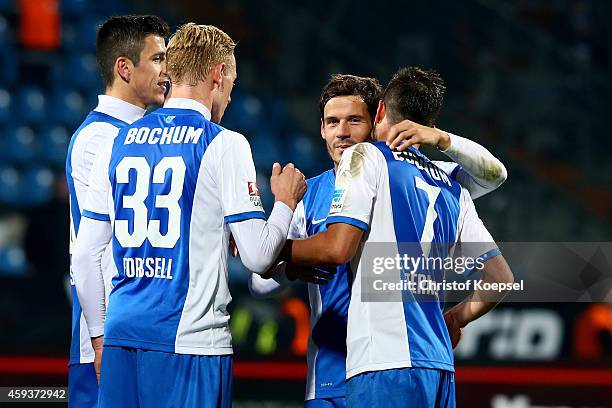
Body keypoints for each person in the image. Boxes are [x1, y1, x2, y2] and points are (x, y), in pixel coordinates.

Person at [72, 23, 306, 408]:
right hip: (191, 342)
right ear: (217, 74)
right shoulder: (223, 142)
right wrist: (284, 203)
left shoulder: (117, 140)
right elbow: (260, 257)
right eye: (231, 82)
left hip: (119, 337)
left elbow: (85, 257)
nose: (230, 96)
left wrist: (99, 339)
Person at [249, 71, 508, 407]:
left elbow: (494, 174)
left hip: (380, 365)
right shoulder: (307, 194)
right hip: (331, 375)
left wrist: (440, 138)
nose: (341, 132)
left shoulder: (399, 167)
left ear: (377, 119)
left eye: (354, 120)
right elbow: (259, 281)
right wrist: (292, 270)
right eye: (332, 122)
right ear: (321, 129)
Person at [65, 15, 169, 407]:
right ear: (124, 68)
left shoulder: (151, 134)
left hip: (145, 331)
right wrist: (99, 334)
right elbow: (90, 251)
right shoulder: (97, 138)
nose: (167, 70)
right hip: (105, 342)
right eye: (157, 58)